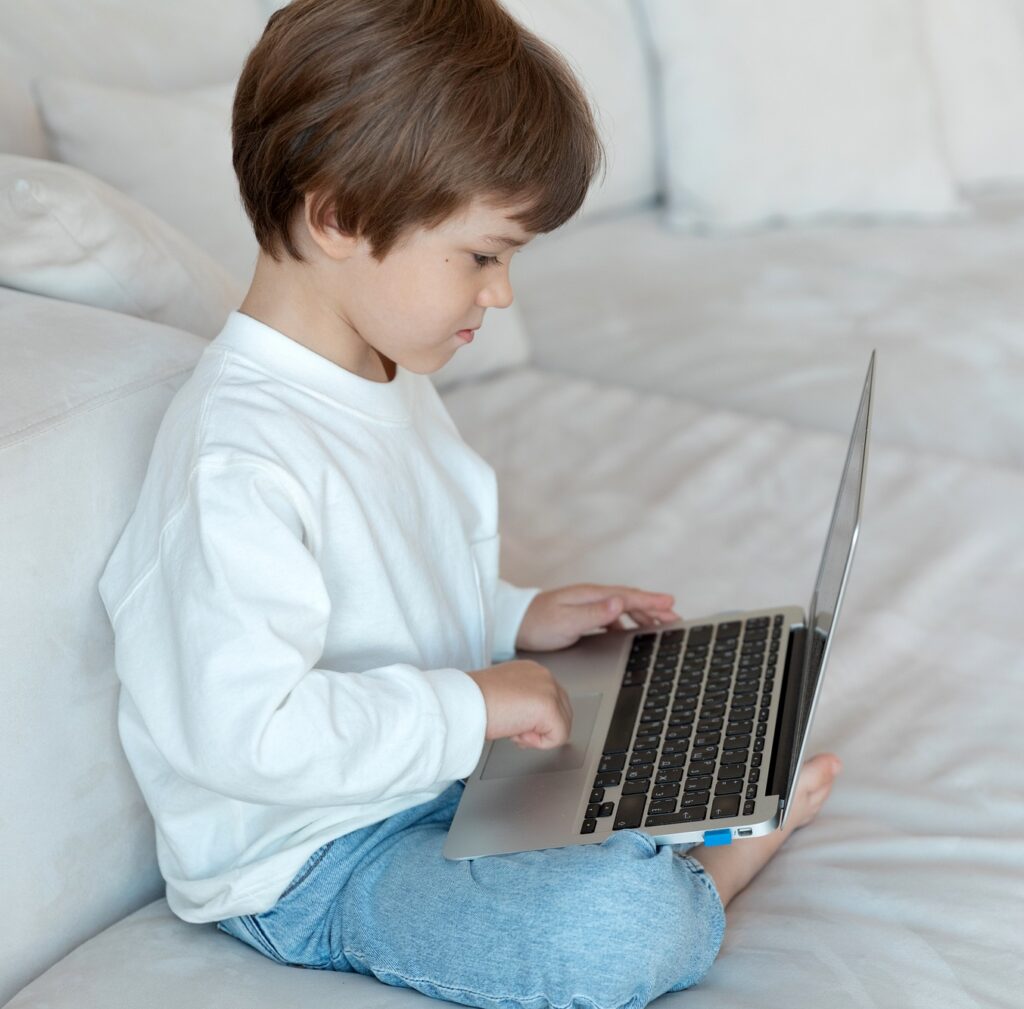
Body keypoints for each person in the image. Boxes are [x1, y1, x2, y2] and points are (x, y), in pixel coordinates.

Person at [97, 1, 842, 1006]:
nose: (498, 296)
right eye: (483, 256)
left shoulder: (384, 375)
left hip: (435, 770)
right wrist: (475, 701)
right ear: (338, 217)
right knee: (607, 925)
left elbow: (391, 587)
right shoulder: (235, 457)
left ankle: (686, 813)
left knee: (689, 723)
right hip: (316, 856)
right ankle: (713, 866)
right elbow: (245, 731)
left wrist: (515, 616)